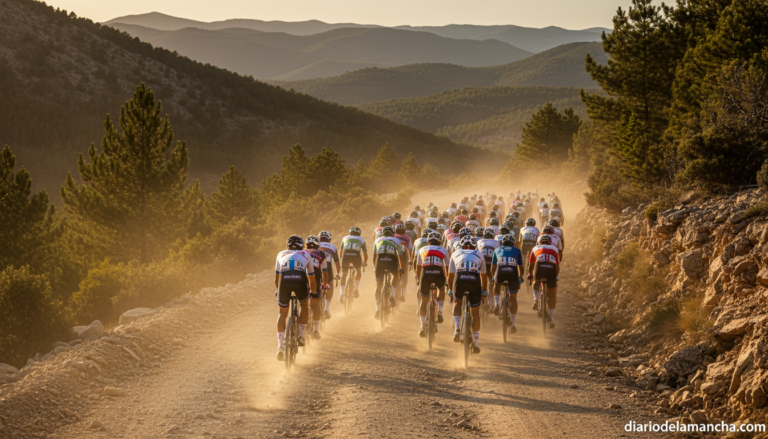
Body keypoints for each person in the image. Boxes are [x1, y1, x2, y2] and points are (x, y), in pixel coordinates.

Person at [275, 235, 317, 360]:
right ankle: (302, 336)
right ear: (301, 246)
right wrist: (313, 292)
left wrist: (278, 290)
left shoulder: (280, 254)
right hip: (299, 280)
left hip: (284, 282)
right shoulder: (305, 254)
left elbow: (276, 278)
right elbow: (311, 278)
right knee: (304, 305)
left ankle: (280, 347)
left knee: (282, 312)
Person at [447, 235, 487, 354]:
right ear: (474, 245)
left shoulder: (455, 253)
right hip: (474, 281)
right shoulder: (479, 254)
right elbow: (483, 276)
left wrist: (450, 290)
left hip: (460, 280)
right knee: (475, 312)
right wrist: (484, 291)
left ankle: (457, 330)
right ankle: (476, 344)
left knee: (457, 302)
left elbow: (450, 276)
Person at [415, 231, 448, 336]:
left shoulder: (422, 249)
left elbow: (418, 267)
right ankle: (440, 312)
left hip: (425, 274)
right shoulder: (443, 250)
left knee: (424, 300)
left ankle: (421, 327)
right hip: (438, 273)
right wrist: (446, 280)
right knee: (441, 288)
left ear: (428, 242)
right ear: (439, 242)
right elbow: (447, 267)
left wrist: (419, 280)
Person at [491, 235, 525, 330]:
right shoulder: (517, 250)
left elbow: (493, 267)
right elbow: (521, 268)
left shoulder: (497, 250)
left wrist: (494, 277)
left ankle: (497, 304)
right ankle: (513, 324)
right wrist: (520, 278)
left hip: (500, 272)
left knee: (496, 285)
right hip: (512, 273)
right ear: (513, 243)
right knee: (513, 298)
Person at [373, 226, 406, 319]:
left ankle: (377, 309)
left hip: (379, 262)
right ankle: (392, 294)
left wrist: (375, 267)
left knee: (378, 285)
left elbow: (374, 257)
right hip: (391, 261)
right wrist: (402, 268)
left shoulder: (377, 240)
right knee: (395, 275)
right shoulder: (396, 240)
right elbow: (400, 256)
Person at [528, 234, 559, 328]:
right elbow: (557, 266)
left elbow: (531, 264)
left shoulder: (535, 248)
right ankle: (552, 318)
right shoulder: (554, 249)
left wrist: (530, 274)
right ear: (550, 242)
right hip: (550, 271)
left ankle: (536, 299)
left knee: (536, 281)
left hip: (539, 269)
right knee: (552, 295)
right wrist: (556, 276)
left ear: (539, 242)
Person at [305, 235, 329, 340]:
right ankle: (316, 330)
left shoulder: (302, 252)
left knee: (303, 303)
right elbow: (324, 271)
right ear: (318, 245)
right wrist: (326, 283)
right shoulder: (321, 254)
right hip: (315, 281)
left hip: (303, 281)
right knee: (316, 304)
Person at [339, 227, 368, 303]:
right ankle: (356, 290)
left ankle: (341, 294)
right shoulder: (361, 239)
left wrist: (342, 260)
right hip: (356, 256)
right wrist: (364, 262)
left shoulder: (344, 238)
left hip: (346, 256)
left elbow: (341, 252)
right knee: (358, 271)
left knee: (344, 274)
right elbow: (365, 254)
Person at [317, 231, 340, 319]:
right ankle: (326, 310)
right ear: (329, 239)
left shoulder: (315, 245)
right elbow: (337, 263)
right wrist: (338, 274)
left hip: (316, 267)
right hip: (328, 267)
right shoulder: (333, 247)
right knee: (330, 285)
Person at [477, 228, 500, 300]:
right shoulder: (496, 242)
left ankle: (481, 297)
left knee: (481, 280)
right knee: (491, 282)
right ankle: (491, 301)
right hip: (491, 264)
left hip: (481, 263)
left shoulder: (479, 241)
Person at [394, 224, 412, 302]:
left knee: (393, 273)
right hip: (403, 258)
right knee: (404, 275)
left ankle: (392, 291)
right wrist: (410, 259)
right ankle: (402, 294)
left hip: (393, 256)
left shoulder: (393, 236)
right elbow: (409, 249)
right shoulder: (407, 238)